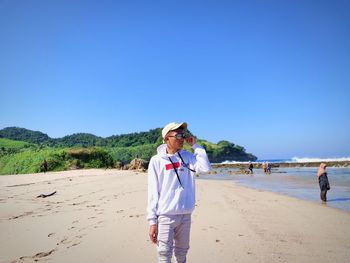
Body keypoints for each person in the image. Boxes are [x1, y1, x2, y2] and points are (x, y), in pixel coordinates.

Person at [147, 122, 211, 263]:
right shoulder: (156, 161)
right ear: (166, 138)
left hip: (185, 215)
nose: (182, 138)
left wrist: (196, 146)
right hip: (165, 216)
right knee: (164, 255)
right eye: (178, 135)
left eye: (184, 135)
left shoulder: (188, 157)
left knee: (182, 254)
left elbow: (205, 168)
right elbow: (153, 192)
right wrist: (152, 222)